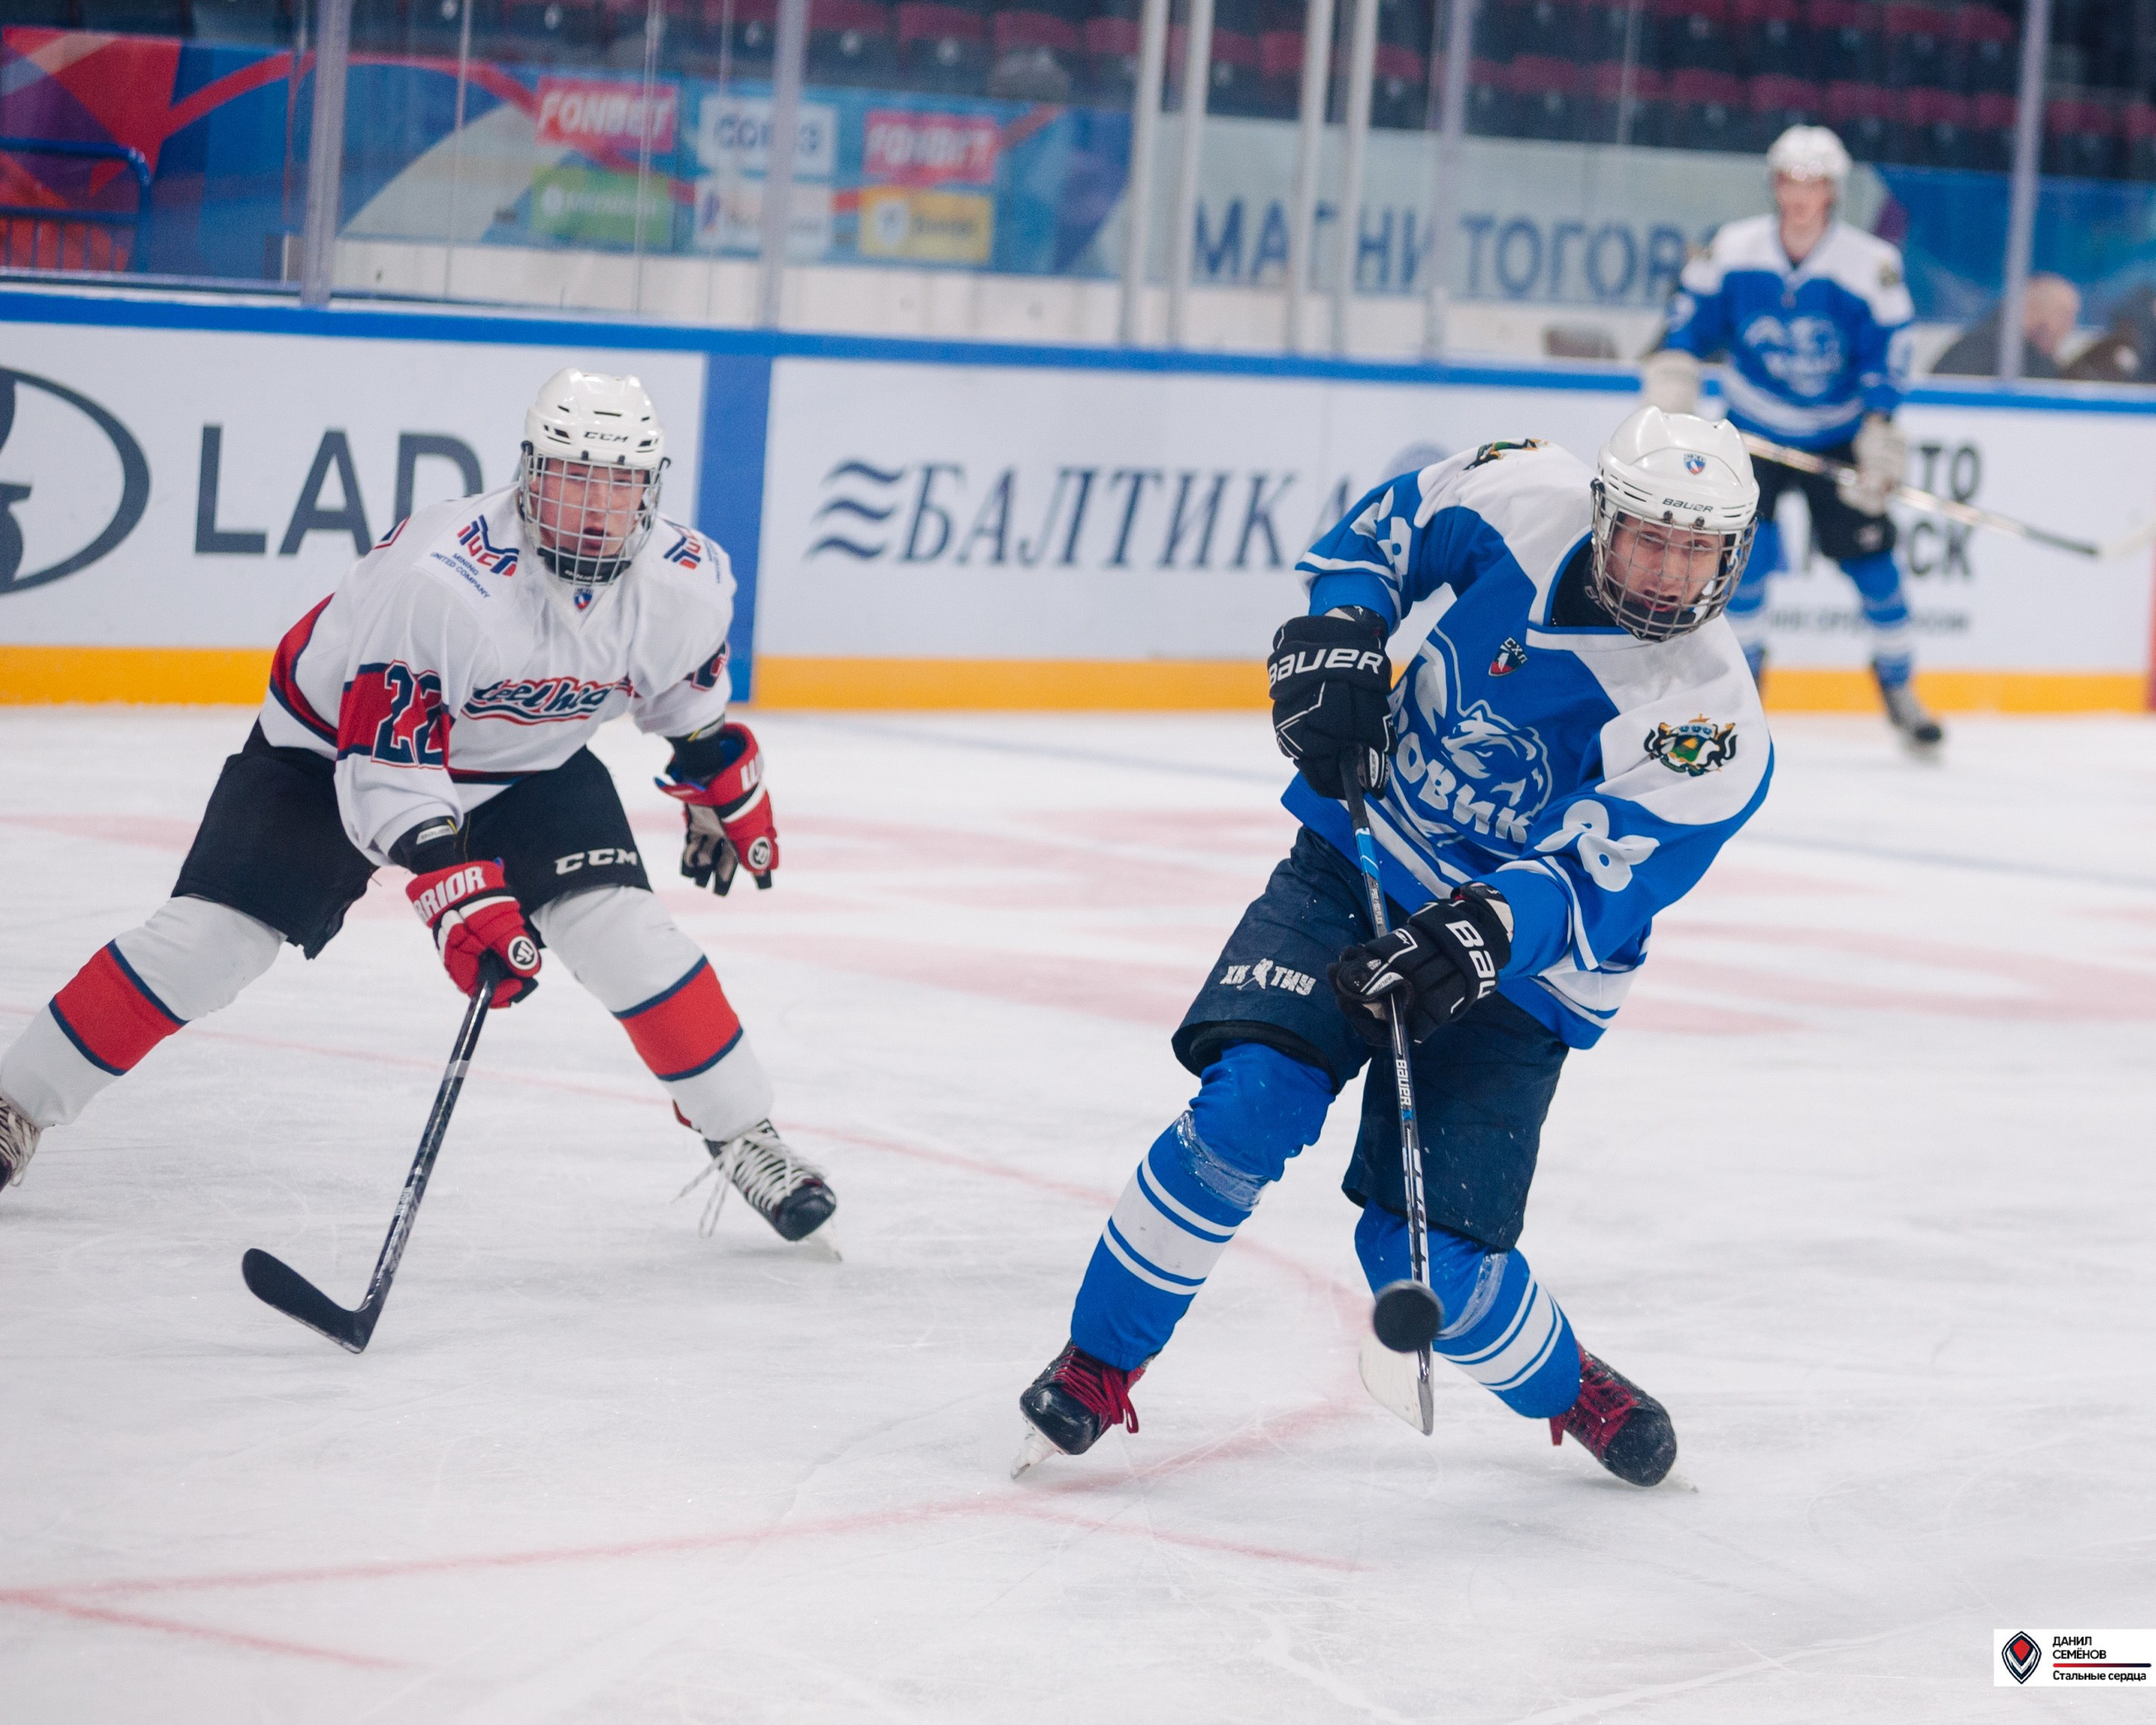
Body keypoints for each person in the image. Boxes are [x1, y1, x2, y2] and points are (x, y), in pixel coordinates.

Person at [1013, 408, 1771, 1488]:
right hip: (1361, 855)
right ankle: (1098, 1361)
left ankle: (1570, 1386)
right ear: (1603, 513)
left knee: (1423, 1264)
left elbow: (1591, 883)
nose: (1665, 571)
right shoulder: (1523, 492)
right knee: (1248, 1105)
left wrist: (1476, 935)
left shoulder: (1712, 724)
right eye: (1649, 537)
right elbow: (1383, 533)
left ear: (1732, 555)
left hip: (1522, 973)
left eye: (1695, 550)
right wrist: (1342, 630)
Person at [0, 369, 838, 1247]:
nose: (597, 505)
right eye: (574, 475)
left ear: (650, 488)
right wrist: (453, 888)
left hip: (527, 765)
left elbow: (682, 699)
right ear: (531, 473)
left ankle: (746, 1134)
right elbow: (386, 767)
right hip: (329, 751)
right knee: (212, 944)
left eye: (620, 481)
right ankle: (15, 1103)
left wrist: (717, 781)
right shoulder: (444, 580)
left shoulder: (688, 579)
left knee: (625, 934)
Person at [1642, 124, 1944, 752]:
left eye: (1813, 183)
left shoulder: (1870, 265)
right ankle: (1745, 692)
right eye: (1789, 181)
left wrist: (1879, 427)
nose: (1800, 195)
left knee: (1874, 566)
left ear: (1833, 190)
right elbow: (1688, 322)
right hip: (1752, 430)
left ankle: (1900, 687)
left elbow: (1889, 352)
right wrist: (1675, 374)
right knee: (1742, 567)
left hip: (1838, 434)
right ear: (1775, 185)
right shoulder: (1733, 248)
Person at [1930, 273, 2080, 379]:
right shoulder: (2021, 360)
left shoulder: (1975, 343)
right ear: (2031, 309)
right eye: (2064, 315)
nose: (2068, 327)